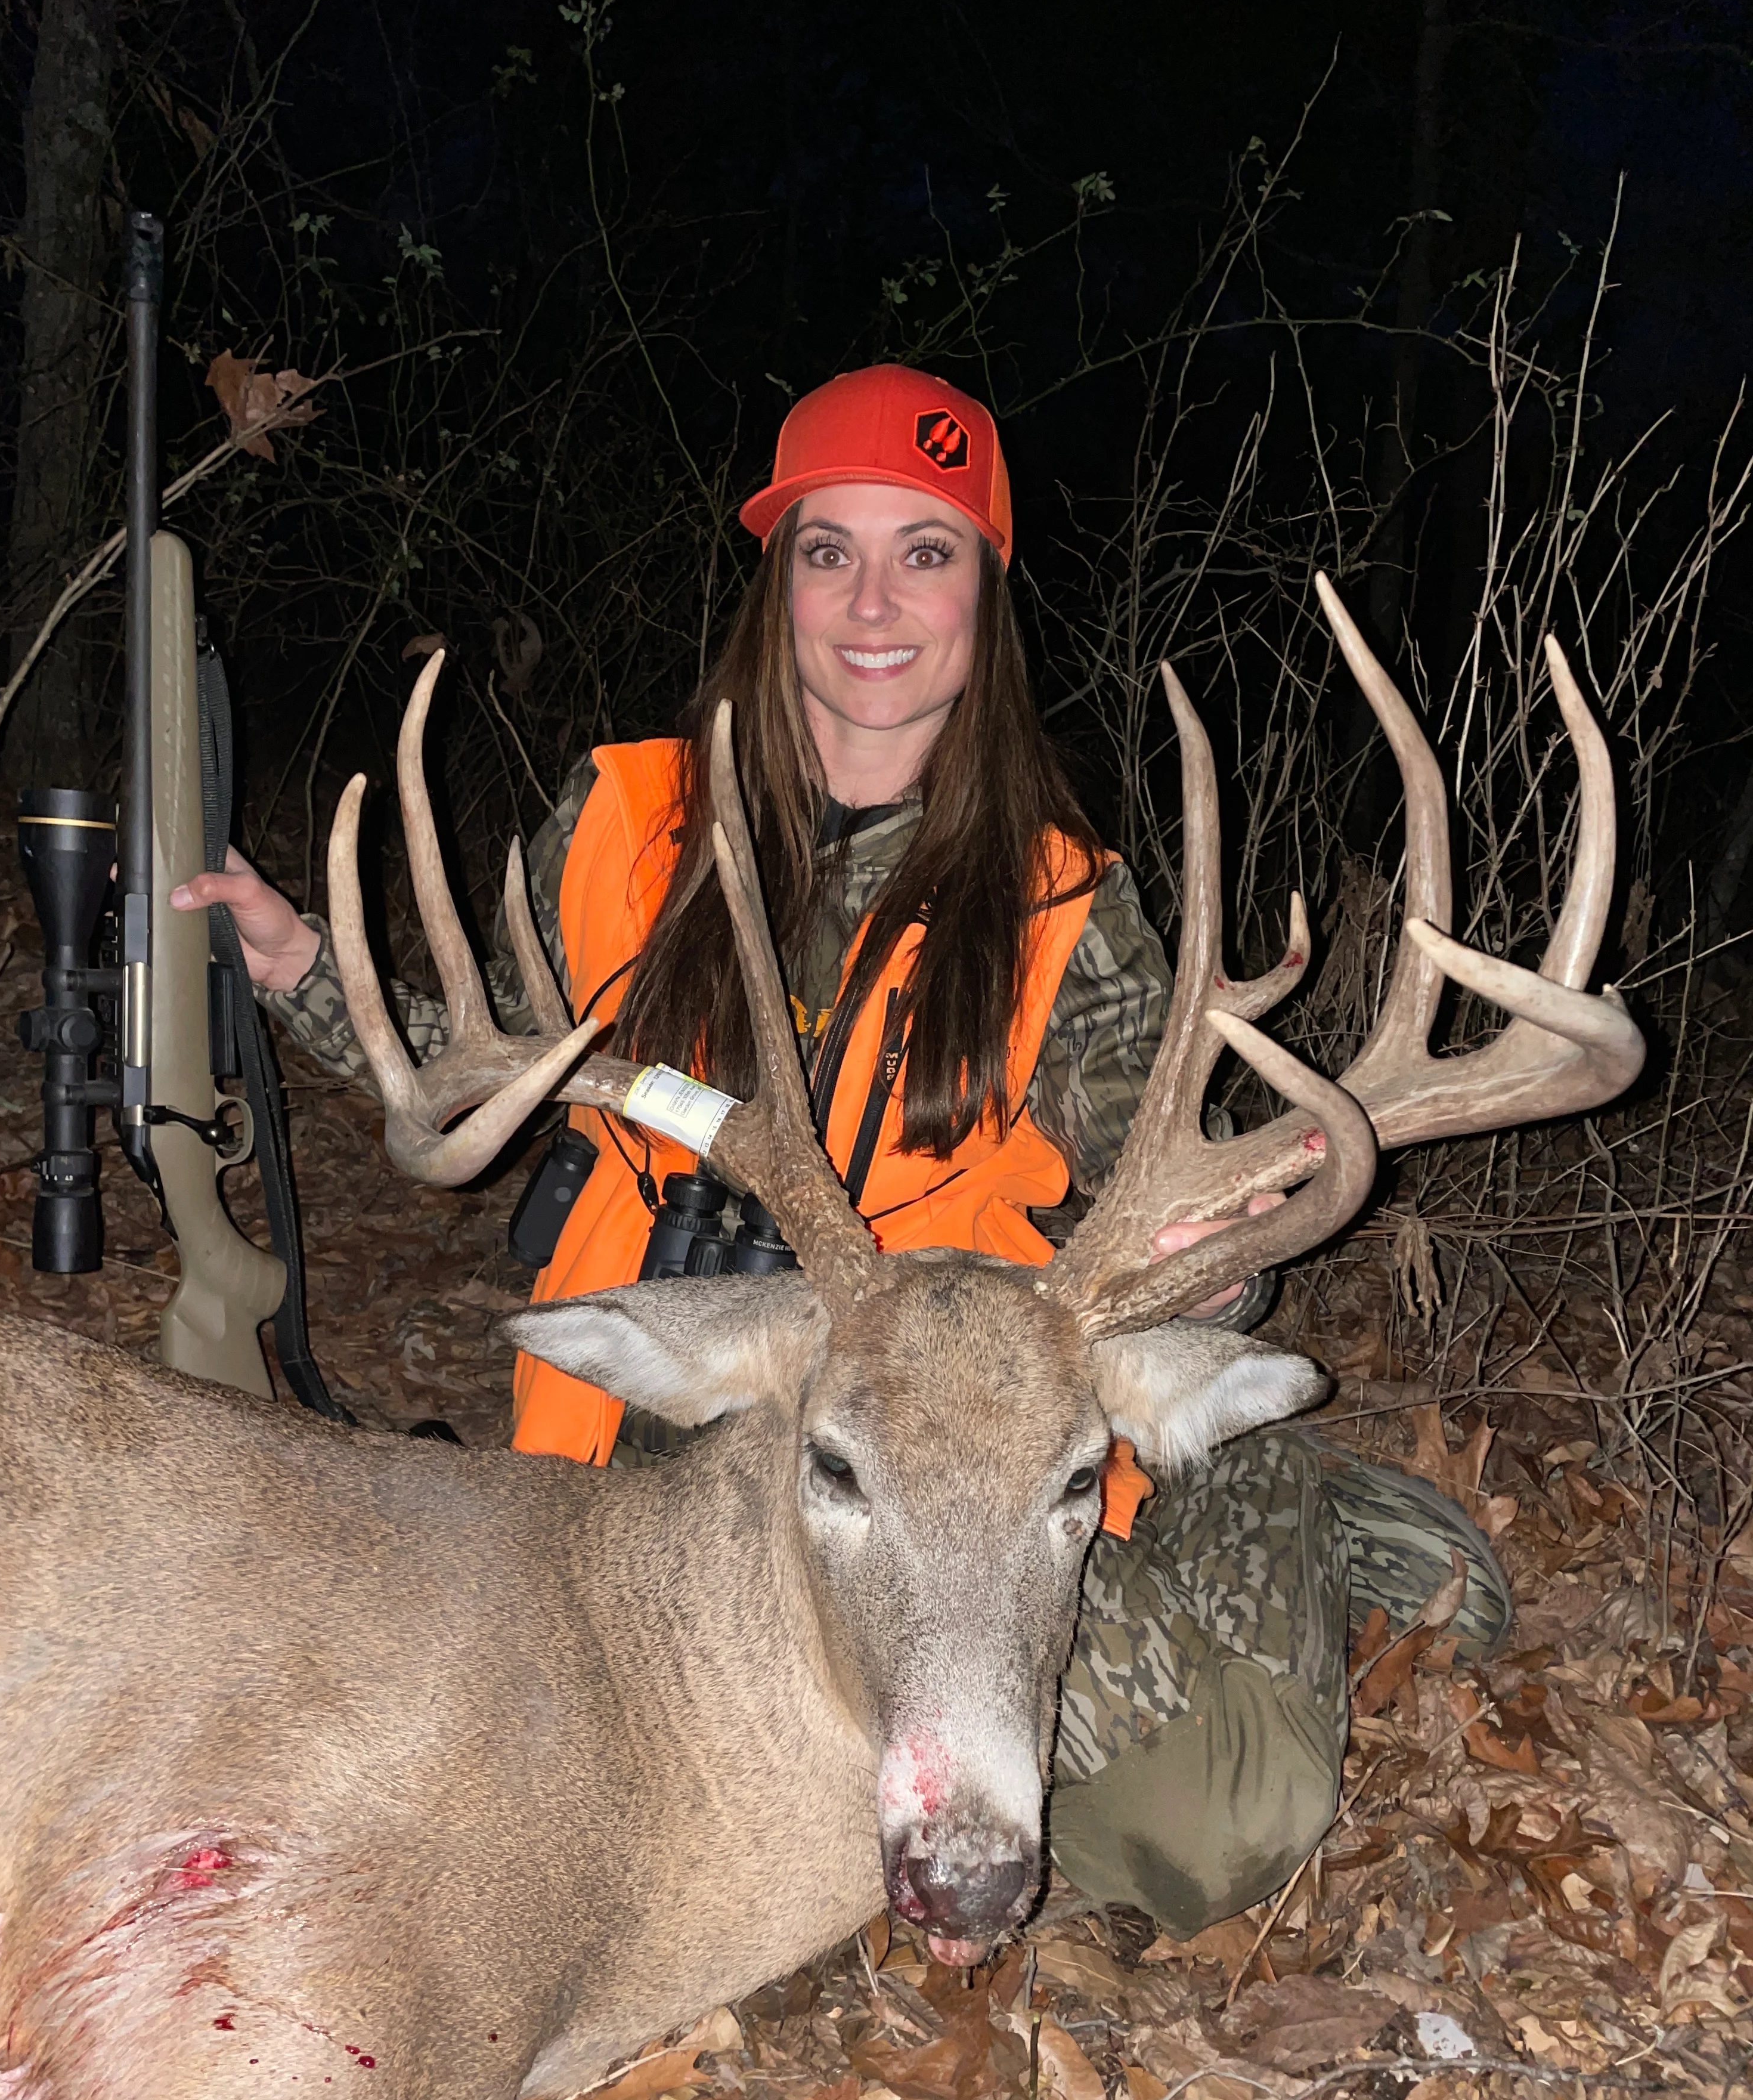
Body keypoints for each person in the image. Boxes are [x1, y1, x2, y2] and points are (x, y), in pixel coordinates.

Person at [175, 364, 1509, 1938]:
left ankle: (1289, 1510)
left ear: (983, 594)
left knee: (1205, 1825)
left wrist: (1202, 1279)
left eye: (926, 551)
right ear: (779, 582)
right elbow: (479, 1085)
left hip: (958, 1446)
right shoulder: (621, 820)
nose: (873, 601)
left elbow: (1171, 1183)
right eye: (829, 551)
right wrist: (293, 972)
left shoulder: (1063, 906)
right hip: (675, 1398)